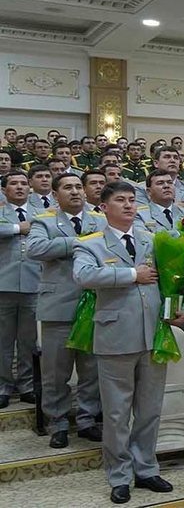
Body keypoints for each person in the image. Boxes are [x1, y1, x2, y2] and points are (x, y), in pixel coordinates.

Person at [73, 181, 184, 504]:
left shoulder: (150, 239)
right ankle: (119, 475)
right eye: (120, 201)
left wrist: (179, 308)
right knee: (115, 413)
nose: (128, 206)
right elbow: (83, 276)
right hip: (115, 336)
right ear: (103, 207)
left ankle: (146, 468)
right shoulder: (91, 243)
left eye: (131, 200)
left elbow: (172, 278)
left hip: (153, 333)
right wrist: (130, 275)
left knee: (150, 409)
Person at [26, 173, 105, 448]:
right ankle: (58, 423)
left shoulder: (100, 220)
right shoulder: (44, 221)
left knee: (91, 368)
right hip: (58, 307)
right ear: (56, 195)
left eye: (78, 187)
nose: (74, 192)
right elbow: (34, 248)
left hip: (95, 305)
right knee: (56, 372)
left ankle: (86, 420)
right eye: (67, 188)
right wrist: (77, 243)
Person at [0, 171, 43, 408]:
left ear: (30, 188)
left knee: (28, 341)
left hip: (33, 284)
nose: (19, 187)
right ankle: (3, 386)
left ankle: (27, 385)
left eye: (23, 184)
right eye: (13, 184)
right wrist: (18, 228)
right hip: (3, 285)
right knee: (3, 342)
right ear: (4, 190)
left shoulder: (41, 214)